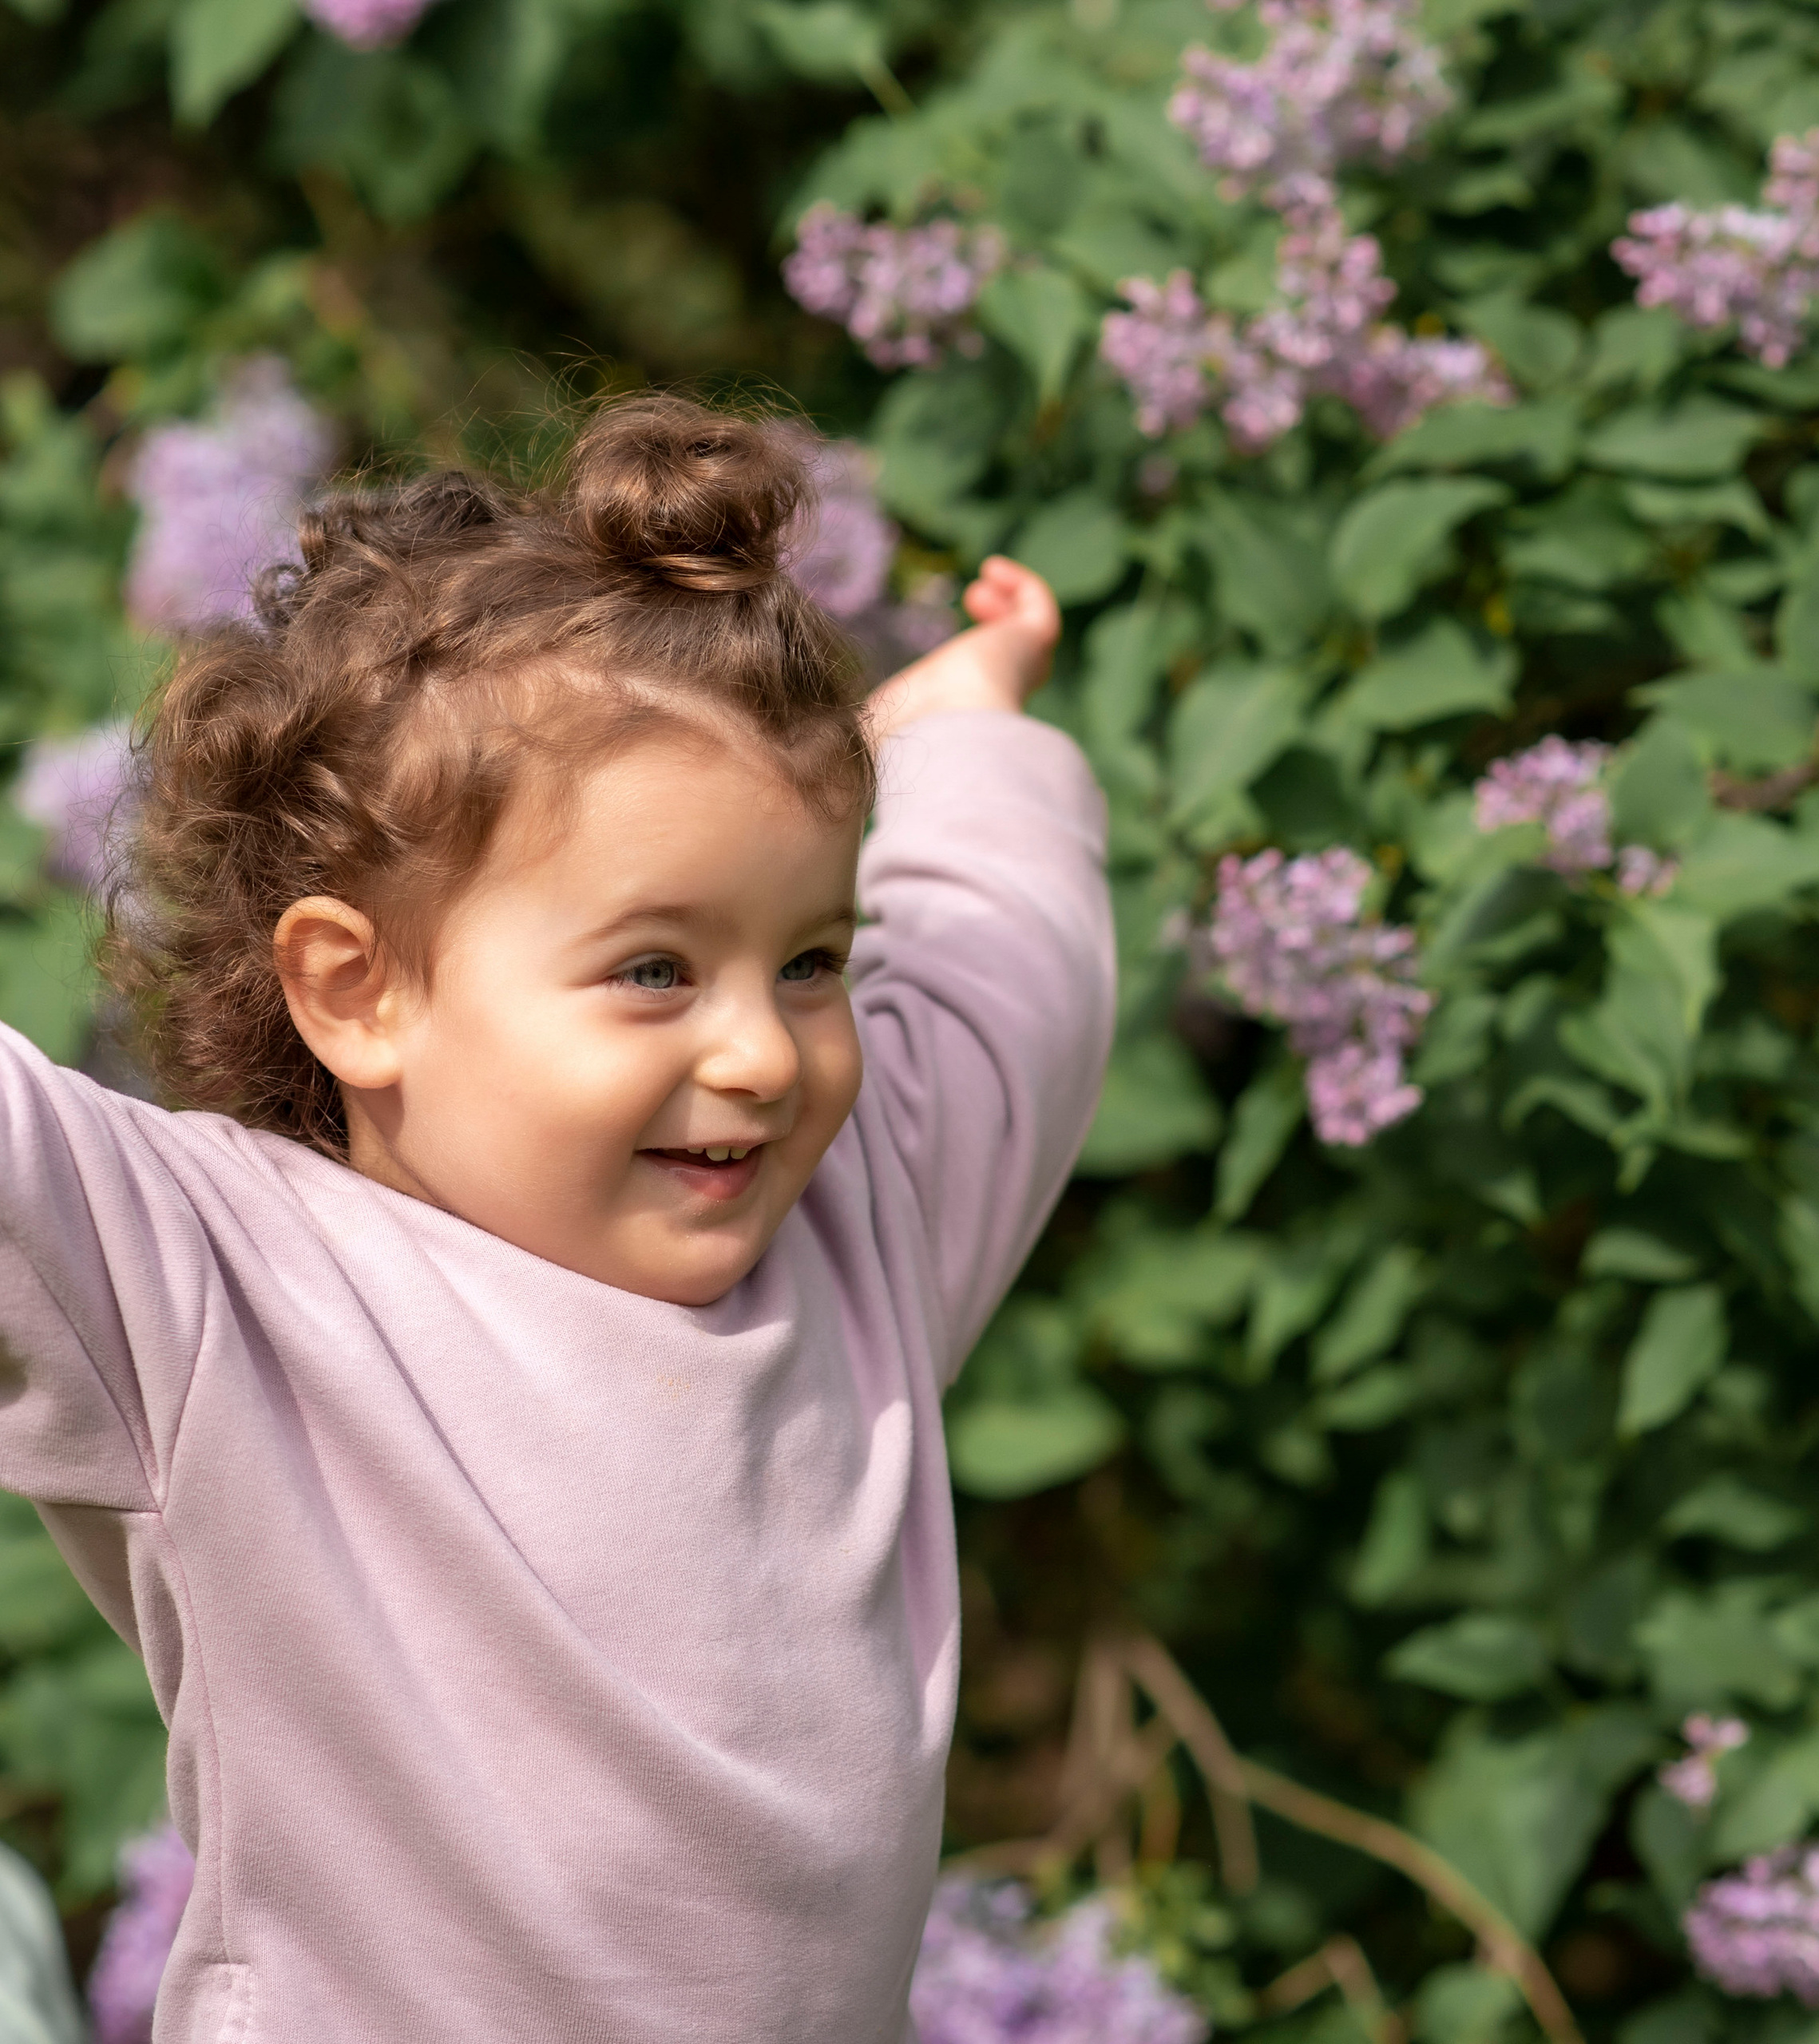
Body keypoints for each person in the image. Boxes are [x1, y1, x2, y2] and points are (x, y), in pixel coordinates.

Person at [0, 396, 1114, 2042]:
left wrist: (965, 736)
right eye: (653, 967)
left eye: (808, 956)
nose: (758, 1049)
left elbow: (1006, 958)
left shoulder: (850, 1221)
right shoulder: (212, 1288)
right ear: (357, 989)